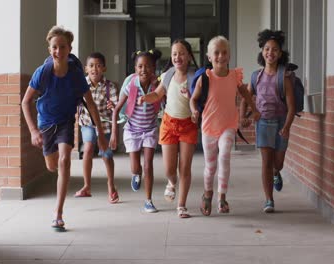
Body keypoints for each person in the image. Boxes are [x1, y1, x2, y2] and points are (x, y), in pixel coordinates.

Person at [21, 26, 107, 229]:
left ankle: (58, 213)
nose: (58, 51)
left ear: (69, 49)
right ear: (49, 49)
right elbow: (25, 102)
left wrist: (100, 134)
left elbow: (91, 104)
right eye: (54, 47)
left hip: (66, 121)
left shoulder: (76, 74)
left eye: (62, 47)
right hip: (46, 123)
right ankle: (58, 200)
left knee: (64, 160)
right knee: (52, 166)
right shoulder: (42, 73)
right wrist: (33, 131)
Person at [190, 36, 259, 216]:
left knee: (225, 155)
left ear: (229, 55)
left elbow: (245, 92)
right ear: (210, 57)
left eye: (224, 52)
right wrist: (194, 111)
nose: (221, 56)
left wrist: (254, 109)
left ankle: (222, 197)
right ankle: (207, 194)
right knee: (210, 166)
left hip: (228, 124)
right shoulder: (206, 78)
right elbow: (194, 99)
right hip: (209, 127)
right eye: (216, 53)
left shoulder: (234, 76)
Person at [138, 39, 198, 218]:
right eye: (174, 54)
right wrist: (145, 98)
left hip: (188, 125)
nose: (177, 57)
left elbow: (198, 100)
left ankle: (181, 205)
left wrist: (196, 112)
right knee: (169, 170)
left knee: (185, 168)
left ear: (188, 56)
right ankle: (171, 183)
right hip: (169, 124)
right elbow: (158, 94)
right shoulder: (167, 75)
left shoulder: (195, 77)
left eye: (181, 53)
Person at [241, 29, 295, 213]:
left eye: (274, 50)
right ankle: (269, 200)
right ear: (262, 52)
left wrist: (287, 127)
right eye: (267, 49)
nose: (270, 53)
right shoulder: (256, 76)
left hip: (281, 123)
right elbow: (245, 97)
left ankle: (276, 172)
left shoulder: (284, 77)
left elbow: (292, 107)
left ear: (280, 54)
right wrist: (243, 117)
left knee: (277, 163)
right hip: (263, 122)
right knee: (266, 162)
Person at [110, 49, 162, 213]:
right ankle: (136, 174)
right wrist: (113, 133)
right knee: (136, 167)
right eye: (140, 66)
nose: (143, 70)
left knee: (148, 165)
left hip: (150, 130)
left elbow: (165, 104)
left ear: (153, 68)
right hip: (132, 130)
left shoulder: (157, 86)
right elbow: (117, 109)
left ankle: (148, 201)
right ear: (135, 68)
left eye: (147, 66)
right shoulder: (131, 85)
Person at [74, 52, 119, 204]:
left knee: (106, 155)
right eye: (91, 66)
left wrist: (113, 106)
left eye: (99, 65)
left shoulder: (110, 87)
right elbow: (76, 101)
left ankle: (111, 185)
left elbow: (116, 108)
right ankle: (86, 186)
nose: (95, 69)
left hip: (105, 126)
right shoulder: (81, 85)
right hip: (87, 123)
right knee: (87, 149)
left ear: (104, 68)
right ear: (86, 69)